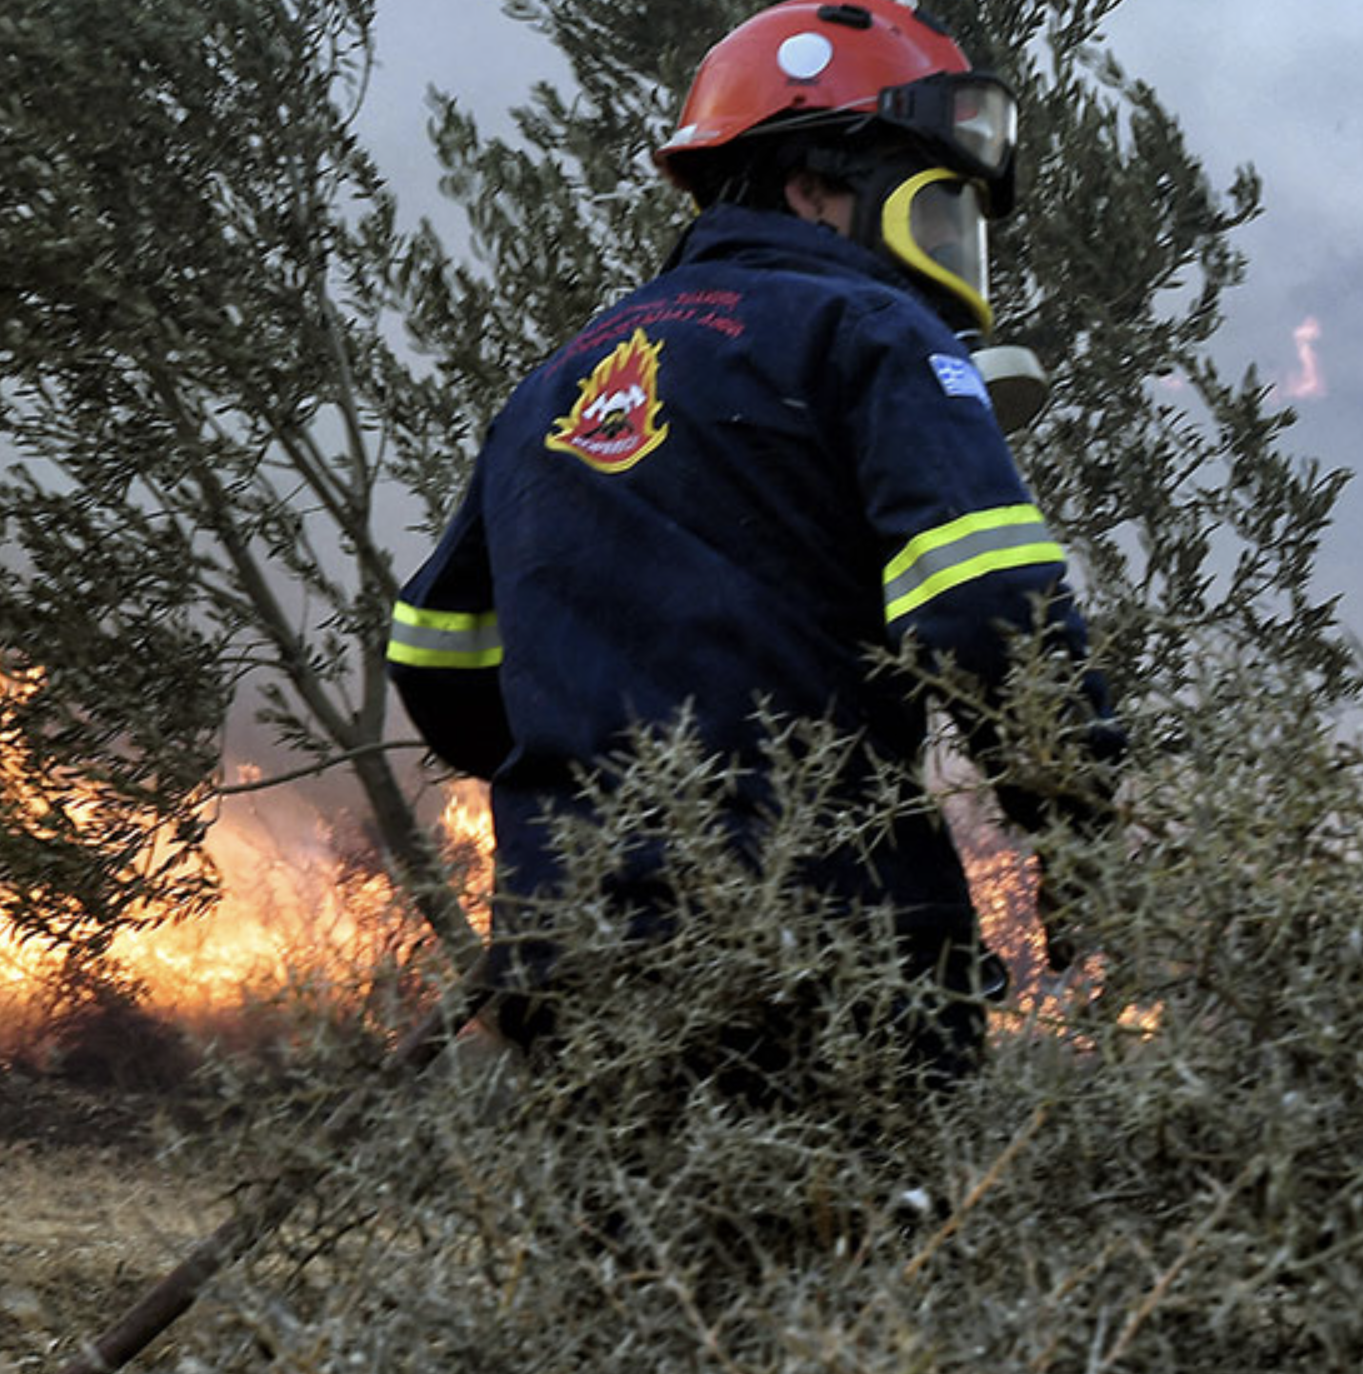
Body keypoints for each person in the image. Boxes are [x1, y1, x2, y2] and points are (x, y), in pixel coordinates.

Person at [385, 0, 1118, 1090]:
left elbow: (437, 656)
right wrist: (1079, 829)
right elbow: (987, 609)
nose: (951, 244)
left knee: (631, 1259)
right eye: (932, 200)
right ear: (811, 186)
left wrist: (598, 771)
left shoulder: (558, 380)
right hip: (828, 948)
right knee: (865, 1256)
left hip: (574, 954)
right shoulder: (868, 334)